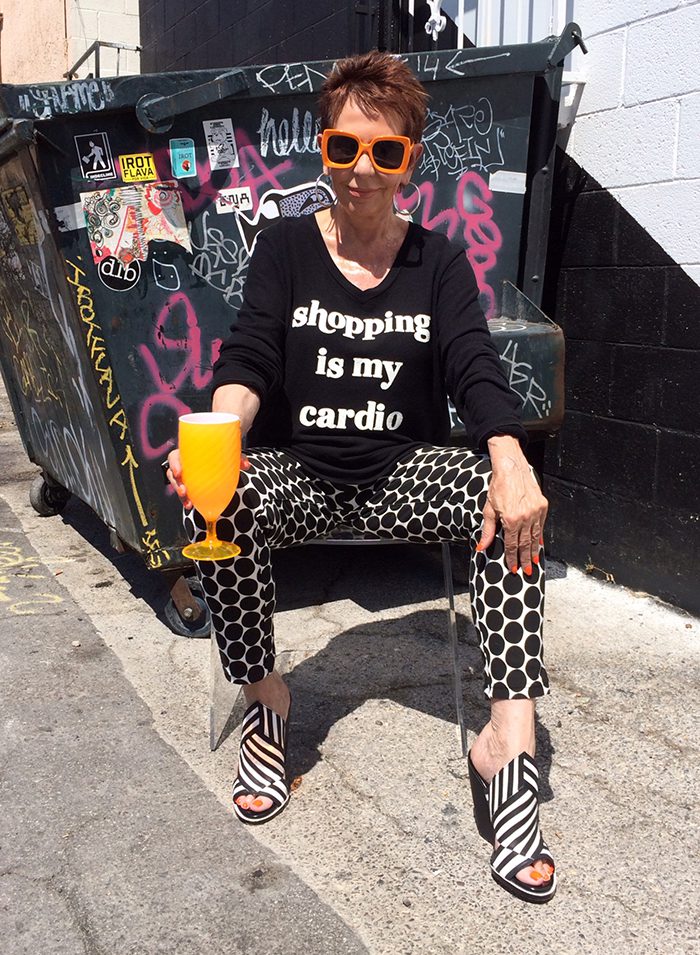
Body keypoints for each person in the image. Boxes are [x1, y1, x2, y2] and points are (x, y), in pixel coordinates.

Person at [167, 51, 556, 904]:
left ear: (410, 161)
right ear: (323, 149)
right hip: (306, 472)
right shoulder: (284, 249)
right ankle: (268, 698)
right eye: (344, 150)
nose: (361, 173)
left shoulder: (438, 262)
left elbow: (473, 366)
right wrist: (219, 437)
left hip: (399, 473)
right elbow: (248, 357)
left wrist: (510, 453)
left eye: (384, 154)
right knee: (221, 497)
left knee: (511, 505)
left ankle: (506, 744)